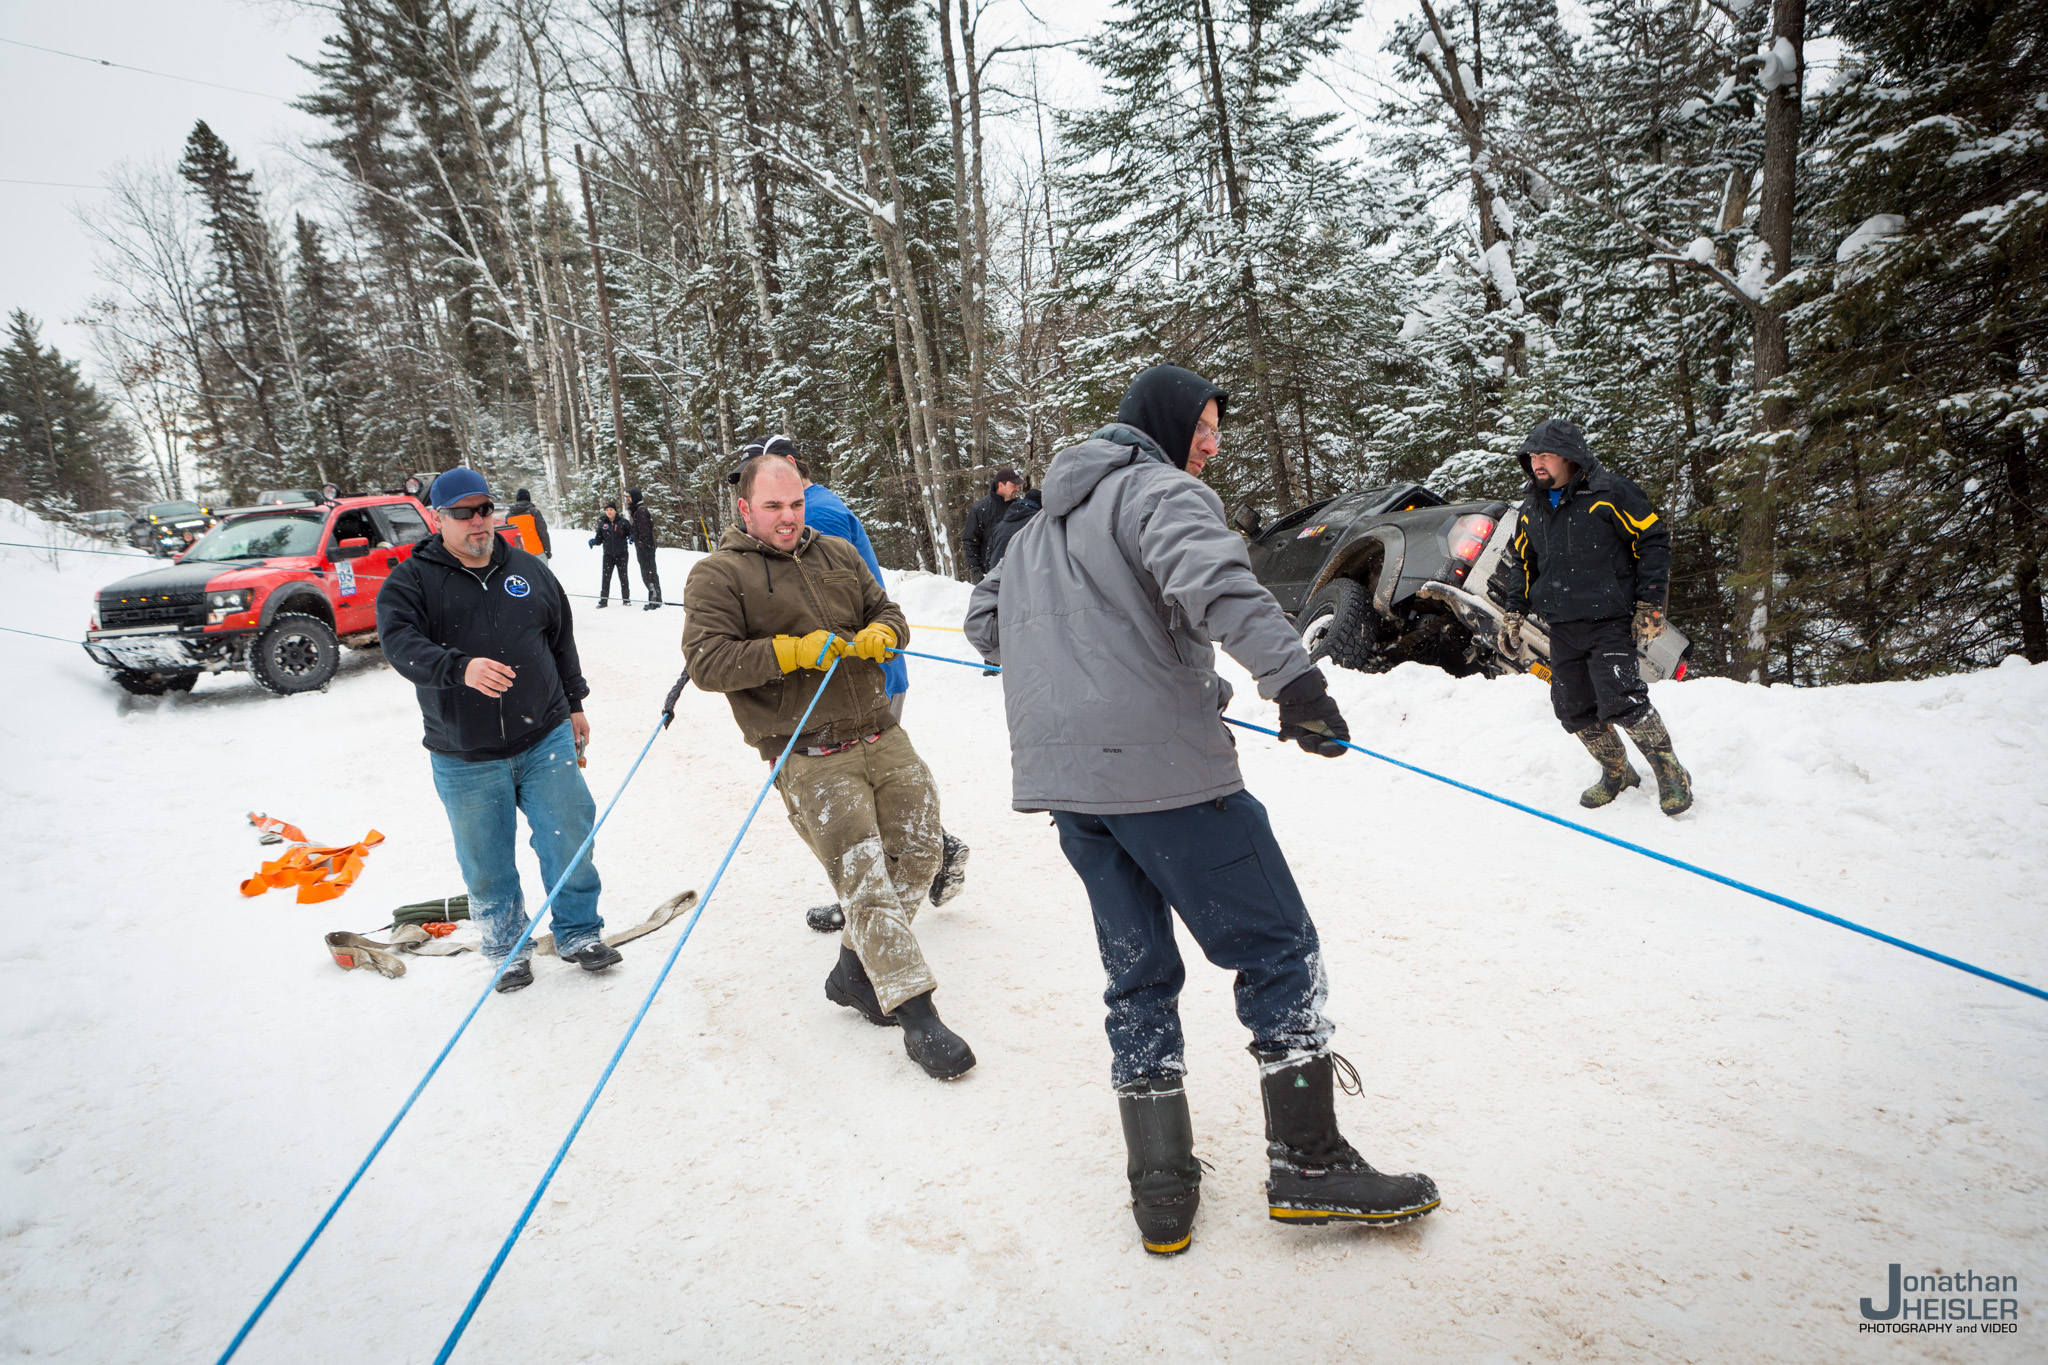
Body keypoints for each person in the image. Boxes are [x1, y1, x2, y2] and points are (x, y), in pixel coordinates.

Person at [966, 364, 1438, 1255]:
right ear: (1168, 423)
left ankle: (1161, 1190)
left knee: (1136, 968)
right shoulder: (1160, 491)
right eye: (1208, 423)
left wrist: (1138, 661)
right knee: (1277, 946)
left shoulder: (1032, 529)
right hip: (1168, 779)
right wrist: (1294, 682)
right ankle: (1308, 1162)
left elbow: (989, 626)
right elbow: (1221, 587)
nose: (1214, 442)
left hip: (1072, 792)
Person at [683, 455, 975, 1081]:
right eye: (773, 508)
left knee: (921, 853)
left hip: (880, 731)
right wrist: (786, 652)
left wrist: (882, 634)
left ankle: (851, 973)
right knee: (863, 877)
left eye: (795, 504)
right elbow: (707, 661)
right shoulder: (718, 574)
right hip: (809, 751)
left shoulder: (837, 552)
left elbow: (889, 611)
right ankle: (917, 1012)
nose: (788, 518)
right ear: (745, 508)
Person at [376, 467, 621, 993]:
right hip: (465, 754)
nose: (478, 522)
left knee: (569, 840)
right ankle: (507, 947)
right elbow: (399, 645)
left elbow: (560, 639)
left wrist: (574, 702)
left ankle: (579, 932)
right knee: (486, 862)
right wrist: (458, 667)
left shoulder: (527, 569)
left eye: (485, 509)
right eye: (463, 513)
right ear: (437, 518)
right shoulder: (411, 582)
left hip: (546, 737)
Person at [728, 435, 973, 933]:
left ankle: (897, 885)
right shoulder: (811, 510)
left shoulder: (819, 516)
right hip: (837, 682)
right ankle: (895, 881)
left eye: (784, 499)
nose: (780, 515)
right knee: (862, 795)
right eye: (764, 499)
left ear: (794, 470)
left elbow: (838, 602)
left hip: (860, 681)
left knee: (862, 796)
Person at [1494, 417, 1693, 816]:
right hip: (1562, 624)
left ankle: (1671, 772)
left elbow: (1652, 542)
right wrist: (1514, 612)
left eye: (1546, 455)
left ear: (1570, 457)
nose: (1538, 463)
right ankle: (1617, 772)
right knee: (1572, 706)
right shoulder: (1531, 508)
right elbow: (1523, 562)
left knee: (1621, 699)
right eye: (1533, 456)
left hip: (1610, 620)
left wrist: (1650, 604)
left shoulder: (1610, 494)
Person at [960, 467, 1021, 582]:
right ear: (1001, 485)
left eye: (1018, 485)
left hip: (1017, 573)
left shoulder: (1021, 508)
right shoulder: (980, 509)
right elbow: (969, 542)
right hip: (990, 575)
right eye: (1014, 485)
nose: (1018, 488)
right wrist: (976, 571)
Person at [981, 485, 1041, 571]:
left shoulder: (999, 526)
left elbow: (988, 560)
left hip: (997, 578)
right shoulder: (1037, 524)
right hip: (1020, 577)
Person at [589, 500, 632, 607]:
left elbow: (631, 533)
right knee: (606, 577)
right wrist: (594, 542)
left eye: (611, 510)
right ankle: (603, 601)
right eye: (607, 510)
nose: (608, 512)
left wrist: (632, 537)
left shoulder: (623, 522)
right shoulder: (603, 524)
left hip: (622, 554)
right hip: (608, 555)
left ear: (615, 511)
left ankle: (626, 600)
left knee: (623, 577)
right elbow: (599, 540)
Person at [626, 488, 662, 610]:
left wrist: (641, 545)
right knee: (648, 573)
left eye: (629, 497)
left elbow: (645, 531)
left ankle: (655, 600)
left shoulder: (640, 511)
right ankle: (654, 598)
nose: (627, 500)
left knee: (649, 574)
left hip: (646, 549)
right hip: (645, 548)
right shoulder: (637, 511)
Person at [506, 488, 553, 558]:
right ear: (529, 498)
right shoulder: (534, 512)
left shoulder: (508, 516)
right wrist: (547, 551)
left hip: (519, 555)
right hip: (537, 552)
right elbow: (543, 533)